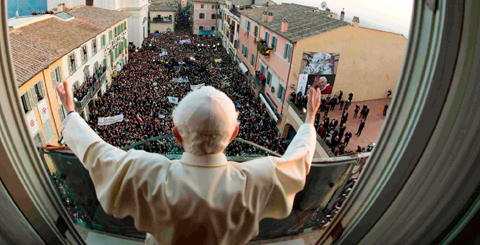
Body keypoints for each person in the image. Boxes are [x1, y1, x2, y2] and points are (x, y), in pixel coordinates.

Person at [57, 81, 322, 245]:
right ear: (234, 134)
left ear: (176, 135)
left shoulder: (145, 173)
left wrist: (71, 112)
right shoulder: (258, 179)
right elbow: (297, 161)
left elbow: (96, 152)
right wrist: (308, 121)